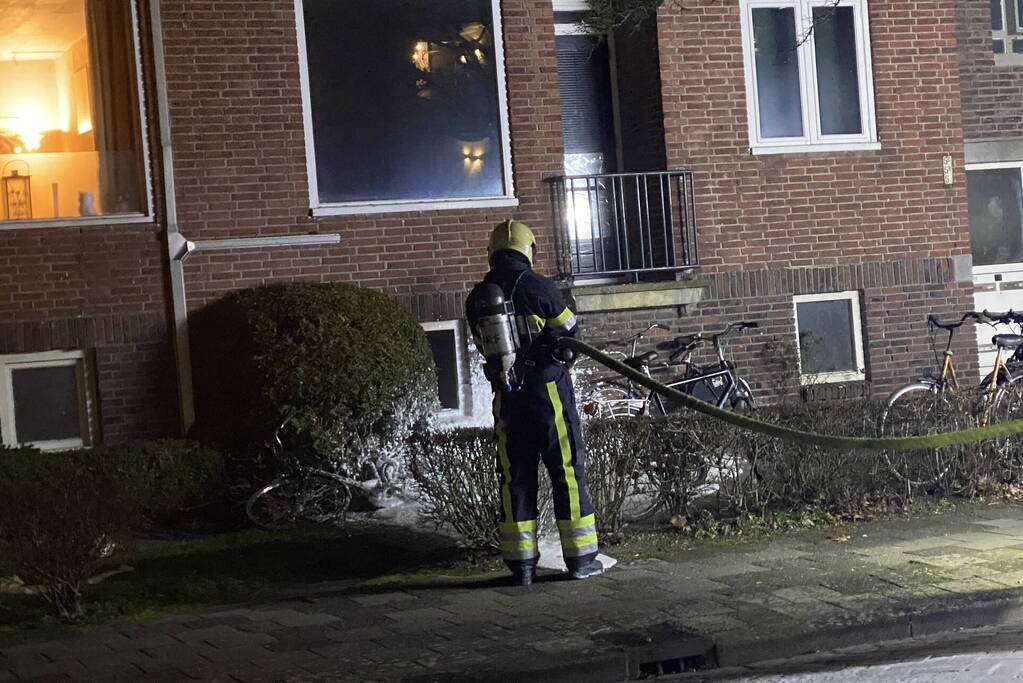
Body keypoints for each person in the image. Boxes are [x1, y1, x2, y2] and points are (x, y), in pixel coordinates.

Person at [465, 219, 604, 586]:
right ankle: (581, 559)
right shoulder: (540, 288)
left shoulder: (478, 296)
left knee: (516, 478)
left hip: (507, 399)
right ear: (528, 249)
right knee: (567, 472)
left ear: (492, 253)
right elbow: (570, 331)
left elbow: (481, 344)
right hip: (549, 394)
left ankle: (521, 565)